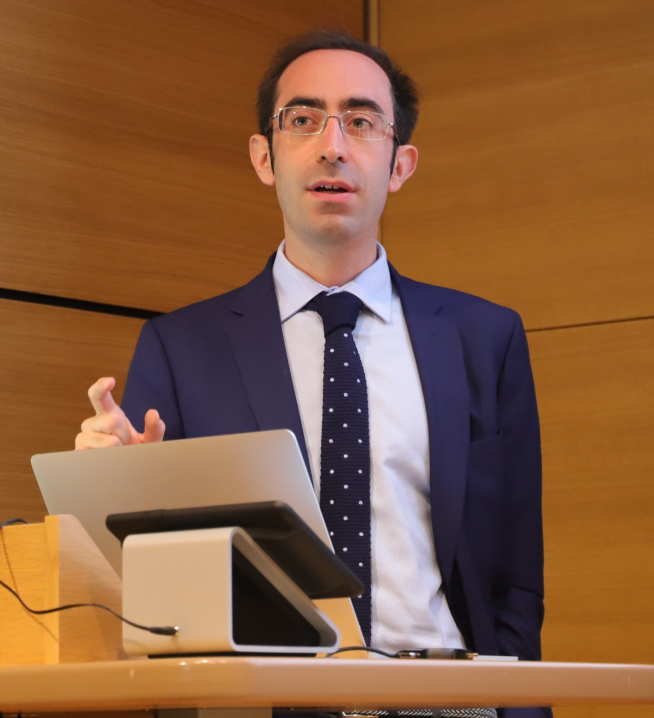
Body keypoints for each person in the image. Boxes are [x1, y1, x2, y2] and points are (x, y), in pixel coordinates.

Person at [76, 31, 549, 718]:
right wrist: (112, 487)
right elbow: (144, 599)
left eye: (360, 121)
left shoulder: (484, 338)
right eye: (303, 119)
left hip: (449, 701)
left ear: (400, 164)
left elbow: (515, 576)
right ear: (263, 156)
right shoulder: (182, 348)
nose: (333, 146)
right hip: (262, 706)